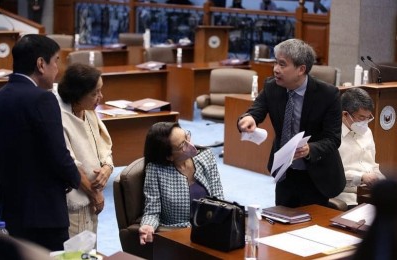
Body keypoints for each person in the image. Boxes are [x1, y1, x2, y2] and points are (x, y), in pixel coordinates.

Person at [0, 34, 80, 251]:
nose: (58, 68)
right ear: (40, 64)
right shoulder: (42, 99)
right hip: (45, 212)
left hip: (10, 207)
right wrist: (76, 181)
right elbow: (59, 154)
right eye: (56, 60)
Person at [237, 38, 345, 208]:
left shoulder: (328, 95)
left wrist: (310, 149)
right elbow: (255, 111)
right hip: (284, 172)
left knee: (312, 228)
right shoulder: (272, 87)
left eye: (282, 64)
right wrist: (248, 119)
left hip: (315, 175)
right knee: (281, 222)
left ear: (301, 69)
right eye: (275, 63)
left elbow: (333, 139)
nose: (276, 69)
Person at [139, 122, 224, 245]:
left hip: (209, 229)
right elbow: (152, 211)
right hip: (177, 234)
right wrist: (148, 225)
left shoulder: (206, 157)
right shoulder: (155, 170)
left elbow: (218, 197)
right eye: (182, 145)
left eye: (187, 136)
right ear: (169, 156)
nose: (191, 144)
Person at [56, 63, 114, 238]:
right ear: (77, 96)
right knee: (75, 253)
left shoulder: (89, 111)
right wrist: (95, 193)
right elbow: (69, 164)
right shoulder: (60, 118)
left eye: (100, 91)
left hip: (91, 199)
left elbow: (104, 147)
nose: (100, 97)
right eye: (94, 93)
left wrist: (107, 167)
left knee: (89, 252)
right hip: (74, 201)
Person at [335, 88, 385, 208]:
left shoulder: (367, 132)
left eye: (368, 117)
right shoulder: (333, 136)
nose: (365, 122)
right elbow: (332, 176)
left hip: (371, 194)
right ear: (345, 114)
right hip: (347, 197)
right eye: (362, 118)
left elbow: (372, 165)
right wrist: (361, 178)